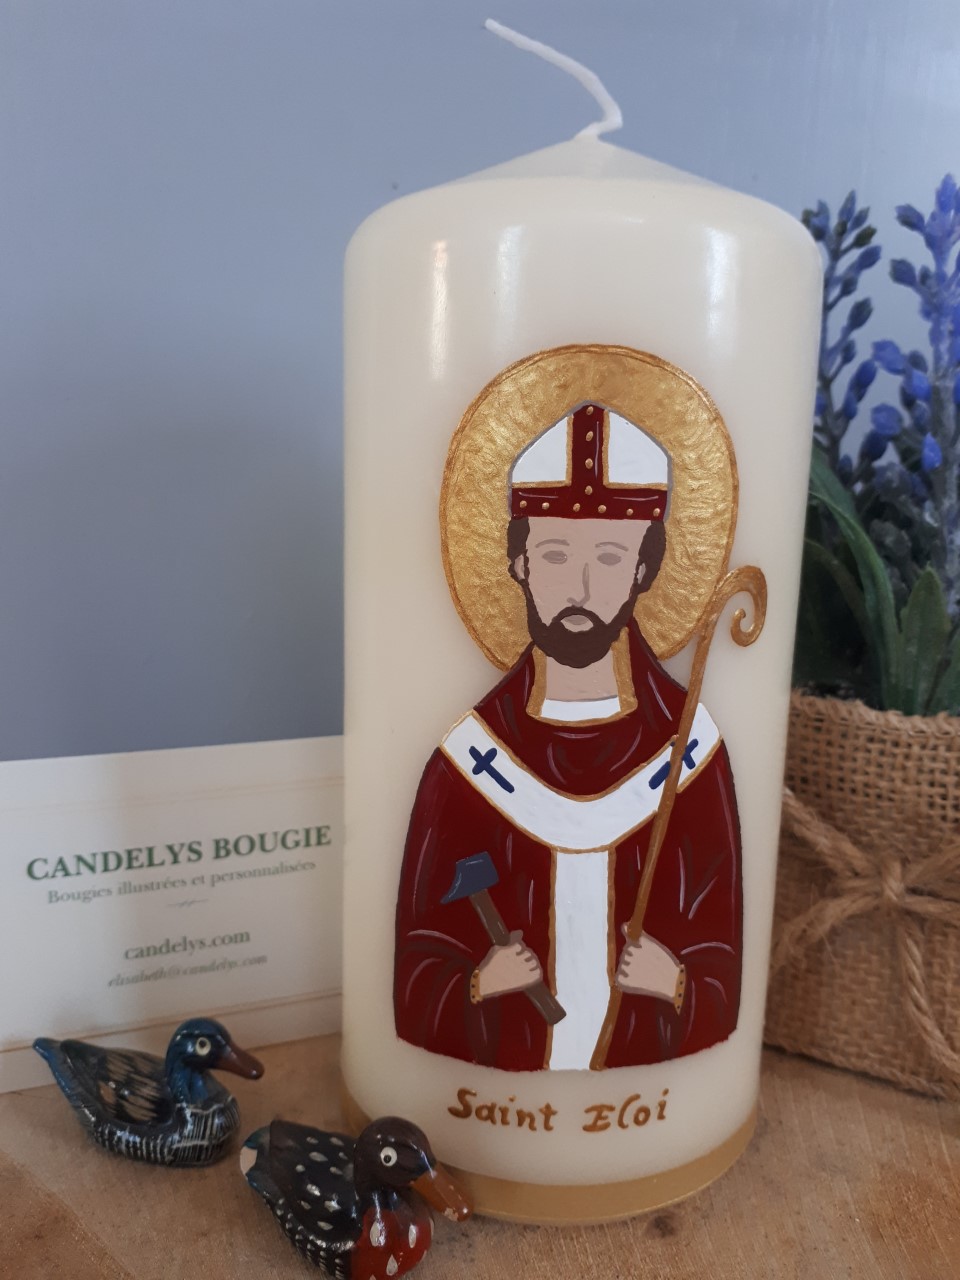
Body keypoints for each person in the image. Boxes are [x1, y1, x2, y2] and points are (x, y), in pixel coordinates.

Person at [394, 402, 742, 1071]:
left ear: (645, 569)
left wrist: (677, 985)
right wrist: (476, 985)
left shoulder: (689, 756)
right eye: (555, 554)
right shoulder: (467, 762)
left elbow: (724, 961)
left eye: (610, 557)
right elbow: (416, 969)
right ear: (518, 561)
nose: (580, 588)